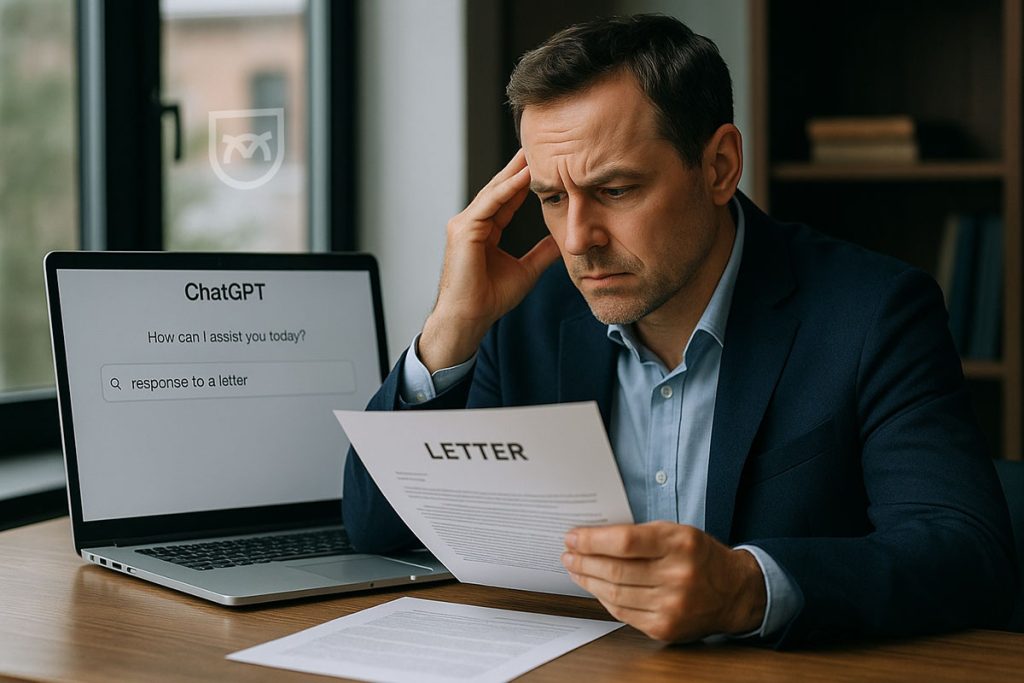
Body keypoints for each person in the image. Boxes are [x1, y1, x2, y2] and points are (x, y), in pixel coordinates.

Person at [342, 14, 1017, 646]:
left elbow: (964, 550)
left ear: (719, 166)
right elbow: (378, 533)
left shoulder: (874, 312)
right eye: (551, 198)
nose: (579, 240)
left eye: (615, 190)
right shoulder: (523, 314)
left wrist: (747, 589)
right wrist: (451, 330)